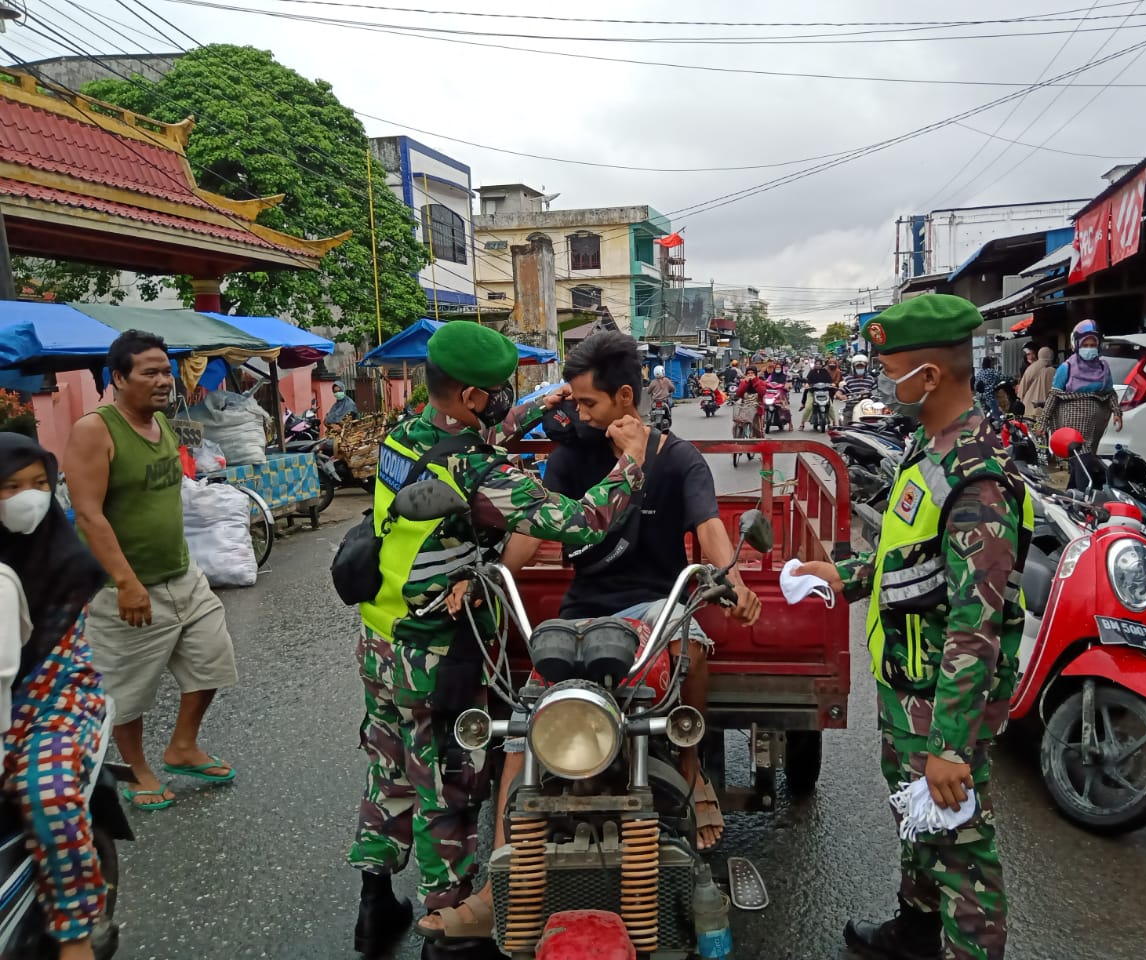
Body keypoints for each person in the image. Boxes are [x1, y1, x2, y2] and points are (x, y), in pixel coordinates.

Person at [350, 322, 653, 955]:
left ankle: (375, 903)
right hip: (438, 649)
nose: (499, 401)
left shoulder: (406, 436)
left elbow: (481, 435)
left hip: (381, 636)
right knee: (449, 782)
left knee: (389, 766)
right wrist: (631, 463)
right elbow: (578, 521)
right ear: (468, 397)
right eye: (495, 392)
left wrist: (540, 406)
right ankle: (448, 927)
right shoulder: (478, 469)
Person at [796, 294, 1031, 960]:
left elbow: (974, 624)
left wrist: (951, 745)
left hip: (942, 703)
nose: (879, 383)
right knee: (917, 819)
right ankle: (916, 930)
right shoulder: (930, 448)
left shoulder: (977, 478)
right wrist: (845, 576)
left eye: (889, 368)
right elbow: (911, 556)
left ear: (928, 376)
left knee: (961, 849)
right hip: (909, 686)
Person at [485, 332, 760, 901]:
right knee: (522, 725)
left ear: (626, 398)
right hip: (582, 613)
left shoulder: (678, 459)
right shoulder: (568, 460)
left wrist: (733, 581)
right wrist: (485, 573)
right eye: (574, 402)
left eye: (587, 403)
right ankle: (500, 874)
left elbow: (710, 531)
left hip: (656, 610)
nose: (576, 413)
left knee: (696, 645)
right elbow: (525, 542)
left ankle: (689, 767)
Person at [65, 330, 239, 812]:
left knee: (212, 658)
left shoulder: (163, 424)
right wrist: (126, 582)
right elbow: (89, 514)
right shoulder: (95, 430)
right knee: (130, 688)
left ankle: (182, 746)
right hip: (124, 586)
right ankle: (137, 769)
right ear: (118, 378)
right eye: (150, 372)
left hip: (182, 574)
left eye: (166, 370)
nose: (164, 380)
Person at [1, 434, 109, 960]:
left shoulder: (66, 564)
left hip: (55, 705)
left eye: (39, 485)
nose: (29, 498)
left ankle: (74, 934)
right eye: (11, 488)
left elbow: (55, 665)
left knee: (49, 794)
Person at [1041, 319, 1123, 457]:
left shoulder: (1103, 368)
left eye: (1093, 345)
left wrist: (1117, 413)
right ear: (1077, 345)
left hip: (1096, 426)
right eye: (1085, 345)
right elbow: (1053, 396)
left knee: (1087, 460)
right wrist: (1041, 424)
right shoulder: (1066, 368)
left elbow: (1110, 393)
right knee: (1081, 460)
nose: (1089, 348)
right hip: (1073, 427)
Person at [1017, 346, 1056, 427]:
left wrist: (1021, 399)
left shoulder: (1031, 368)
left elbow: (1022, 389)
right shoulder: (1053, 371)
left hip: (1029, 408)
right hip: (1046, 410)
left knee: (1031, 435)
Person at [802, 359, 839, 428]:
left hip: (824, 392)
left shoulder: (825, 372)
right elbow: (808, 380)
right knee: (808, 407)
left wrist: (832, 384)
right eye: (816, 364)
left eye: (819, 364)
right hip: (813, 392)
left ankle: (834, 422)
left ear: (822, 365)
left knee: (830, 406)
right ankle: (802, 423)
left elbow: (830, 381)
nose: (818, 365)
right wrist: (807, 384)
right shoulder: (811, 372)